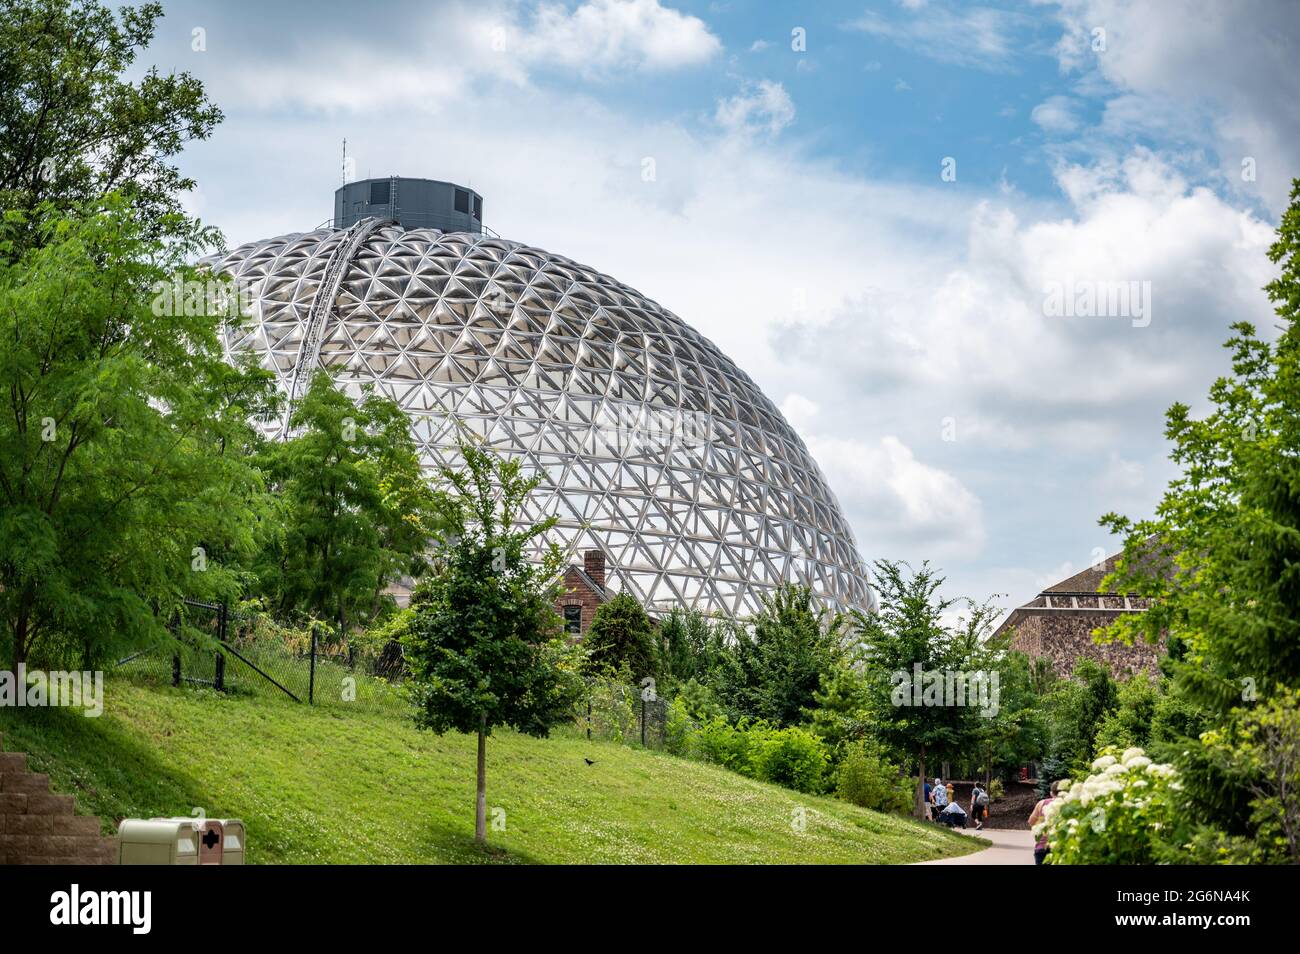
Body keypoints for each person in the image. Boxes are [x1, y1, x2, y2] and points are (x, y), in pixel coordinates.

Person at [1028, 780, 1061, 865]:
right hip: (1060, 848)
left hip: (1042, 848)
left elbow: (1031, 822)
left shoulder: (1042, 803)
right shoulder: (1068, 804)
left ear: (1051, 793)